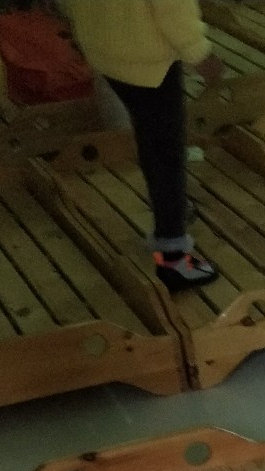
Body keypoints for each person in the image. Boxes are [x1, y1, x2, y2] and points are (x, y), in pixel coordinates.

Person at [64, 0, 223, 291]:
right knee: (166, 153)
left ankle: (172, 210)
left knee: (151, 138)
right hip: (149, 59)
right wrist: (201, 55)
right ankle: (173, 260)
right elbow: (173, 9)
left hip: (104, 47)